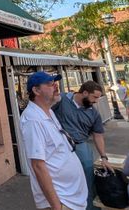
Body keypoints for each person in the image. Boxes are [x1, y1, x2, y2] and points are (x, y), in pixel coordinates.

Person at [20, 71, 87, 210]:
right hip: (60, 200)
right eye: (50, 84)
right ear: (36, 90)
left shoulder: (49, 112)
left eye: (55, 83)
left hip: (71, 197)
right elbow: (38, 165)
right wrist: (57, 206)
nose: (56, 87)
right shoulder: (33, 120)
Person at [53, 81, 112, 210]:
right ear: (84, 93)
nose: (96, 101)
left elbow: (98, 135)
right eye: (94, 97)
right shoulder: (62, 100)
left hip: (80, 146)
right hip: (59, 147)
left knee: (87, 178)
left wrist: (104, 157)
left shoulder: (93, 113)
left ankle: (88, 206)